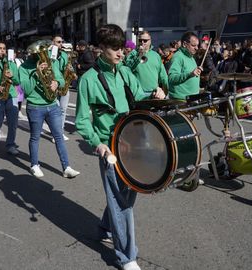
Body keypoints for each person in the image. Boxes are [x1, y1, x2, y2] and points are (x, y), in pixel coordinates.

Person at [75, 24, 164, 270]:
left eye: (121, 49)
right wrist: (98, 144)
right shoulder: (88, 80)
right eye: (115, 49)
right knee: (121, 202)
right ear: (101, 49)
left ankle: (104, 227)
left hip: (134, 141)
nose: (120, 53)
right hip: (110, 147)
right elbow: (82, 120)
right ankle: (127, 256)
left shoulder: (125, 72)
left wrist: (155, 93)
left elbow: (139, 95)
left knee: (126, 194)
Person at [18, 42, 80, 179]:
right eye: (37, 53)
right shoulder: (23, 67)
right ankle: (34, 165)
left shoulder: (51, 63)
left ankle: (66, 167)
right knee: (35, 137)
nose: (41, 55)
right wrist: (36, 73)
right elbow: (26, 90)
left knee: (59, 136)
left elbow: (62, 81)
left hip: (52, 105)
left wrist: (57, 83)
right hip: (35, 107)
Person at [124, 30, 168, 98]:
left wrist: (166, 92)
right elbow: (128, 69)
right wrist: (139, 55)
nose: (142, 42)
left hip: (154, 93)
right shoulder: (132, 53)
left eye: (145, 40)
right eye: (140, 40)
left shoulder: (156, 55)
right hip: (138, 93)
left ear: (150, 41)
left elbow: (163, 76)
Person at [168, 31, 202, 100]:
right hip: (181, 100)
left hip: (192, 99)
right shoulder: (178, 57)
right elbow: (171, 78)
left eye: (197, 45)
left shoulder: (191, 57)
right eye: (193, 45)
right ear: (184, 44)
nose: (196, 48)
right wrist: (190, 74)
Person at [50, 34, 71, 141]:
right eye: (58, 42)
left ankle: (60, 132)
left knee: (63, 110)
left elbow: (65, 69)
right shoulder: (48, 54)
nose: (61, 44)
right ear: (52, 43)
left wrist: (69, 69)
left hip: (63, 85)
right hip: (52, 85)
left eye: (61, 42)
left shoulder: (64, 55)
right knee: (55, 111)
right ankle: (56, 133)